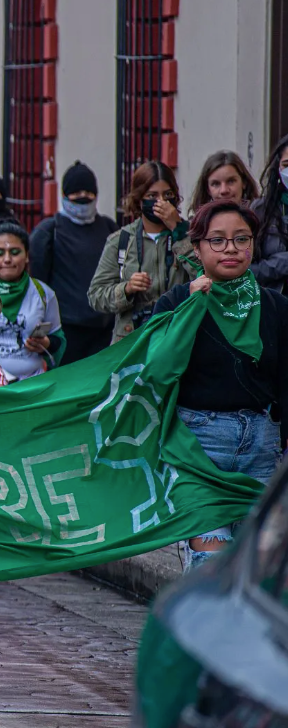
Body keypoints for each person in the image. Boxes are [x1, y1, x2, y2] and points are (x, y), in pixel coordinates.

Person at [152, 200, 287, 571]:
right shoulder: (175, 302)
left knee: (257, 570)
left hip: (262, 452)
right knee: (210, 567)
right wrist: (191, 311)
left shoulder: (276, 307)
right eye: (218, 240)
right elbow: (159, 369)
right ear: (196, 248)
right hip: (199, 451)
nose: (231, 248)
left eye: (241, 239)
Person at [88, 160, 195, 344]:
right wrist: (127, 289)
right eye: (152, 195)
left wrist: (178, 231)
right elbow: (96, 295)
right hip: (131, 341)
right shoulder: (120, 240)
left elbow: (204, 274)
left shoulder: (191, 234)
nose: (160, 202)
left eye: (167, 194)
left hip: (177, 337)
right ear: (139, 199)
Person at [30, 162, 118, 364]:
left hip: (104, 330)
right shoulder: (48, 231)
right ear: (64, 195)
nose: (83, 197)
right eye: (76, 192)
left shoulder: (109, 228)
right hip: (66, 330)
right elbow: (38, 283)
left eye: (88, 191)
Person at [0, 221, 65, 381]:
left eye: (15, 252)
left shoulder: (44, 293)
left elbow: (58, 340)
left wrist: (46, 344)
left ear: (26, 255)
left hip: (32, 387)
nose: (7, 259)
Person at [253, 135, 288, 291]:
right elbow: (245, 269)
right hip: (274, 305)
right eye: (286, 165)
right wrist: (282, 263)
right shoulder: (261, 210)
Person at [189, 150, 258, 214]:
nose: (224, 190)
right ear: (207, 189)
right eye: (216, 184)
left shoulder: (261, 221)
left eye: (231, 181)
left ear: (244, 182)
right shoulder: (199, 225)